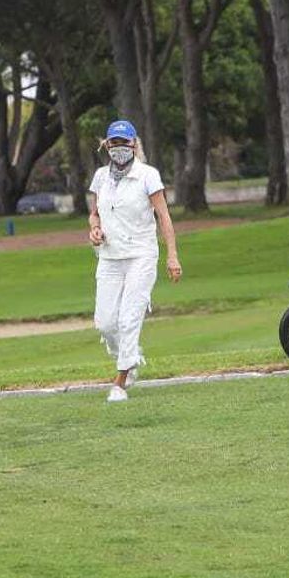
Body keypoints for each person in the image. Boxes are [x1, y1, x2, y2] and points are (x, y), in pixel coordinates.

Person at [87, 120, 182, 403]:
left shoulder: (147, 175)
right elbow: (95, 214)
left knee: (129, 317)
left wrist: (172, 256)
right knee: (105, 322)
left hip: (141, 253)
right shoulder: (100, 177)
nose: (118, 149)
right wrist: (94, 229)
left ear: (134, 145)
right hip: (109, 256)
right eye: (113, 143)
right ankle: (130, 357)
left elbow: (163, 217)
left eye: (123, 143)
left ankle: (121, 379)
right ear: (107, 145)